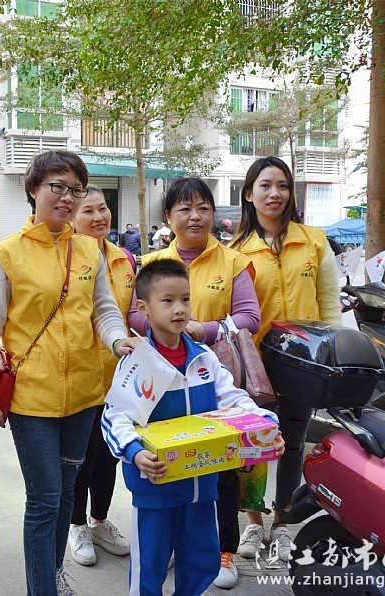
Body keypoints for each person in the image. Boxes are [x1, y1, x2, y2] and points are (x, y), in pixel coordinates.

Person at [0, 150, 138, 596]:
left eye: (75, 189)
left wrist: (117, 340)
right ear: (33, 190)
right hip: (32, 398)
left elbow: (104, 309)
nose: (67, 198)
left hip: (84, 394)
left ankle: (51, 576)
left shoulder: (87, 250)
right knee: (45, 500)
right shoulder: (6, 255)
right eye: (57, 187)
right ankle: (42, 587)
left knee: (66, 494)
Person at [102, 258, 284, 596]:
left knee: (201, 561)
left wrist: (266, 426)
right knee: (150, 567)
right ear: (143, 308)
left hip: (202, 486)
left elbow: (234, 399)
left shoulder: (204, 357)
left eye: (185, 299)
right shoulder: (137, 363)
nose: (179, 309)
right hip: (155, 488)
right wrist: (135, 452)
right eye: (167, 300)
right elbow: (114, 416)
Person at [127, 177, 261, 589]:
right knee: (167, 456)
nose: (195, 216)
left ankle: (222, 548)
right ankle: (170, 544)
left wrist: (205, 330)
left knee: (219, 469)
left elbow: (250, 317)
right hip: (161, 367)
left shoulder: (233, 261)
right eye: (184, 209)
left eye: (203, 207)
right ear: (168, 216)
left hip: (210, 366)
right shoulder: (151, 262)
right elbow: (134, 315)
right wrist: (166, 328)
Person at [230, 156, 341, 563]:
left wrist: (331, 355)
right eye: (265, 185)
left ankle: (282, 522)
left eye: (282, 185)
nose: (274, 193)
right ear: (249, 194)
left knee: (293, 444)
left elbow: (329, 303)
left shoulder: (315, 241)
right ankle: (253, 522)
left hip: (304, 365)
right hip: (256, 364)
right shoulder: (236, 252)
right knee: (253, 445)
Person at [67, 186, 134, 567]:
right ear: (72, 219)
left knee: (111, 455)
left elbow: (130, 312)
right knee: (83, 458)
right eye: (88, 211)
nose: (99, 217)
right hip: (80, 375)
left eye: (103, 208)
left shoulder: (124, 258)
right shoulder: (69, 258)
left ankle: (99, 520)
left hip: (119, 378)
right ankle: (76, 524)